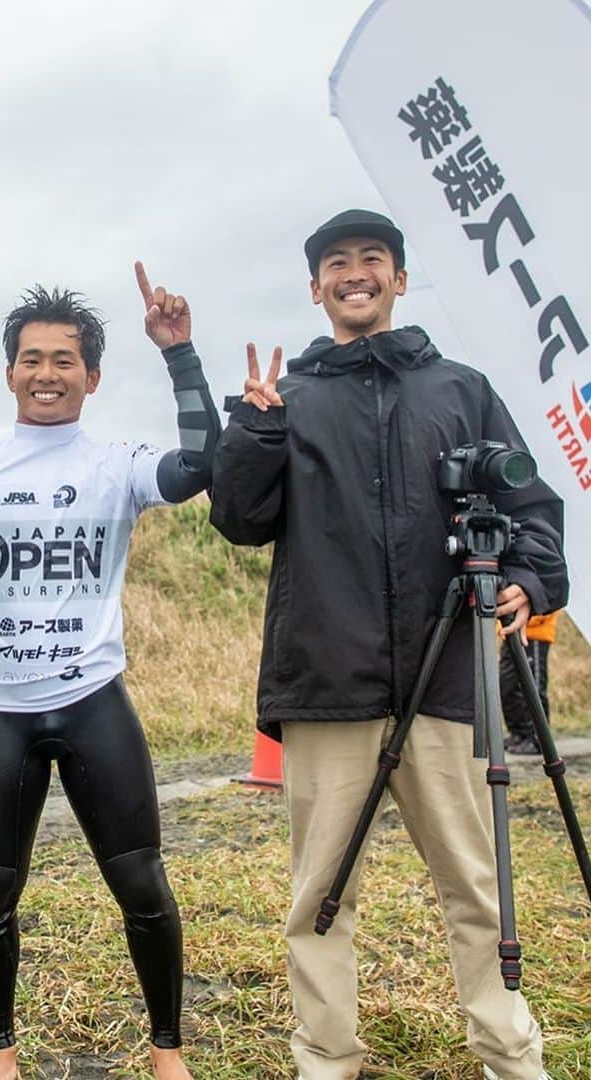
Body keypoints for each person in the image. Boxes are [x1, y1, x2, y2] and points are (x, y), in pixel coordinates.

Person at [207, 209, 567, 1080]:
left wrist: (532, 579)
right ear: (316, 287)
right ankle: (326, 1059)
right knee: (320, 899)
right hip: (328, 682)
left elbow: (532, 511)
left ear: (400, 279)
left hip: (449, 679)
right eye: (337, 262)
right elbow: (239, 520)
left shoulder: (462, 388)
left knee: (476, 888)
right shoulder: (287, 400)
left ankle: (509, 1053)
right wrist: (254, 434)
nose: (355, 273)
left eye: (373, 259)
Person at [0, 268, 220, 1080]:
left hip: (95, 701)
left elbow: (202, 463)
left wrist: (180, 356)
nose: (46, 373)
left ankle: (166, 1049)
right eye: (31, 359)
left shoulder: (117, 467)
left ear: (93, 377)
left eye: (64, 360)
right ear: (9, 373)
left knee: (142, 882)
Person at [500, 611, 559, 755]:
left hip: (534, 635)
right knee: (507, 685)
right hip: (510, 633)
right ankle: (520, 733)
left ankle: (538, 740)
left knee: (533, 688)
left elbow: (545, 599)